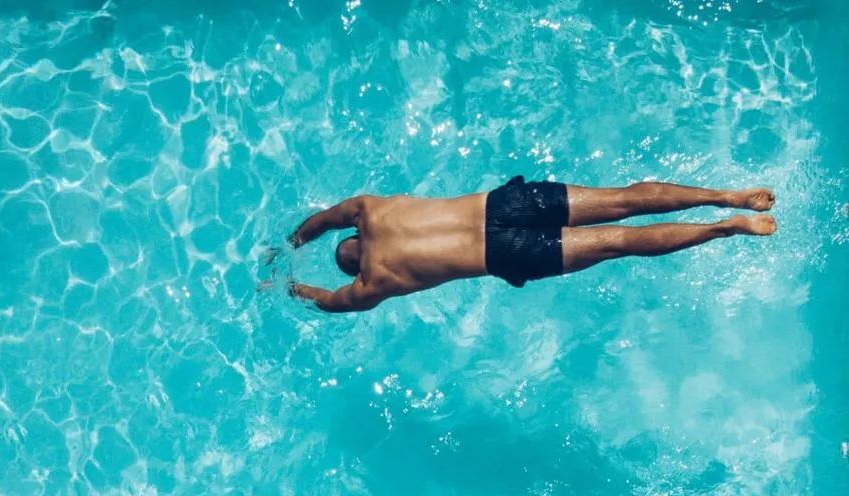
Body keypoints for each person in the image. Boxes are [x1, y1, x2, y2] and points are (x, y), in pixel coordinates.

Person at [275, 177, 776, 313]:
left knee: (620, 242)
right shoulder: (369, 210)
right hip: (501, 205)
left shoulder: (372, 284)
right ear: (355, 238)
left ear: (355, 267)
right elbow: (326, 218)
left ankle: (724, 228)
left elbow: (329, 302)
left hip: (503, 255)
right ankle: (726, 196)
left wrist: (288, 287)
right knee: (622, 200)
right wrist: (294, 240)